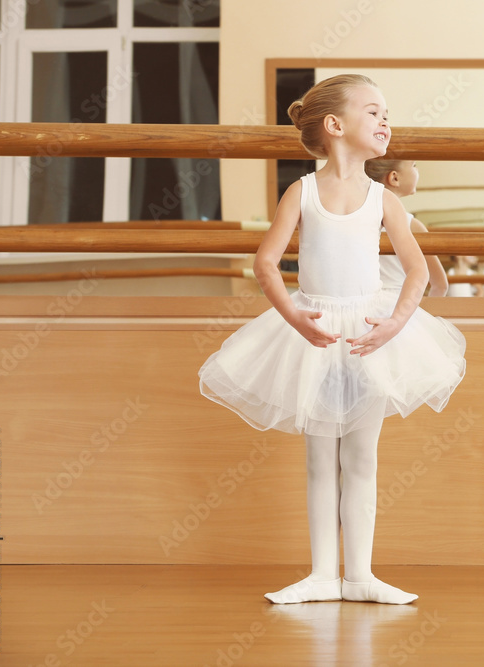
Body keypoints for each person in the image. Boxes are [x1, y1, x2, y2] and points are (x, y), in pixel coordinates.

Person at [198, 74, 466, 606]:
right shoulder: (301, 192)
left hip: (369, 334)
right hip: (315, 333)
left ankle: (360, 575)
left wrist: (394, 323)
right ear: (335, 125)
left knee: (361, 457)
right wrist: (295, 319)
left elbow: (417, 272)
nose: (385, 122)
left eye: (387, 114)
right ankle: (323, 574)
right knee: (320, 460)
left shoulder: (383, 200)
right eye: (374, 112)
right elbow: (266, 264)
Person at [364, 159, 449, 296]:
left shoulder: (358, 220)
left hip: (362, 301)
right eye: (414, 165)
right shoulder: (412, 225)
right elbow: (440, 285)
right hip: (399, 302)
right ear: (394, 178)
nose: (418, 170)